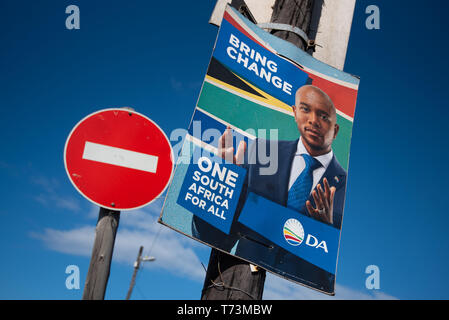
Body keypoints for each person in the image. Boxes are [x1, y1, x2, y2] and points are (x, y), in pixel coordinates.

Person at [193, 84, 347, 292]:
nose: (313, 120)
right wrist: (221, 186)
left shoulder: (344, 188)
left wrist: (323, 232)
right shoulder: (261, 152)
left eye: (323, 116)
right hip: (235, 282)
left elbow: (329, 278)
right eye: (305, 109)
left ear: (335, 130)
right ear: (294, 112)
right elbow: (215, 238)